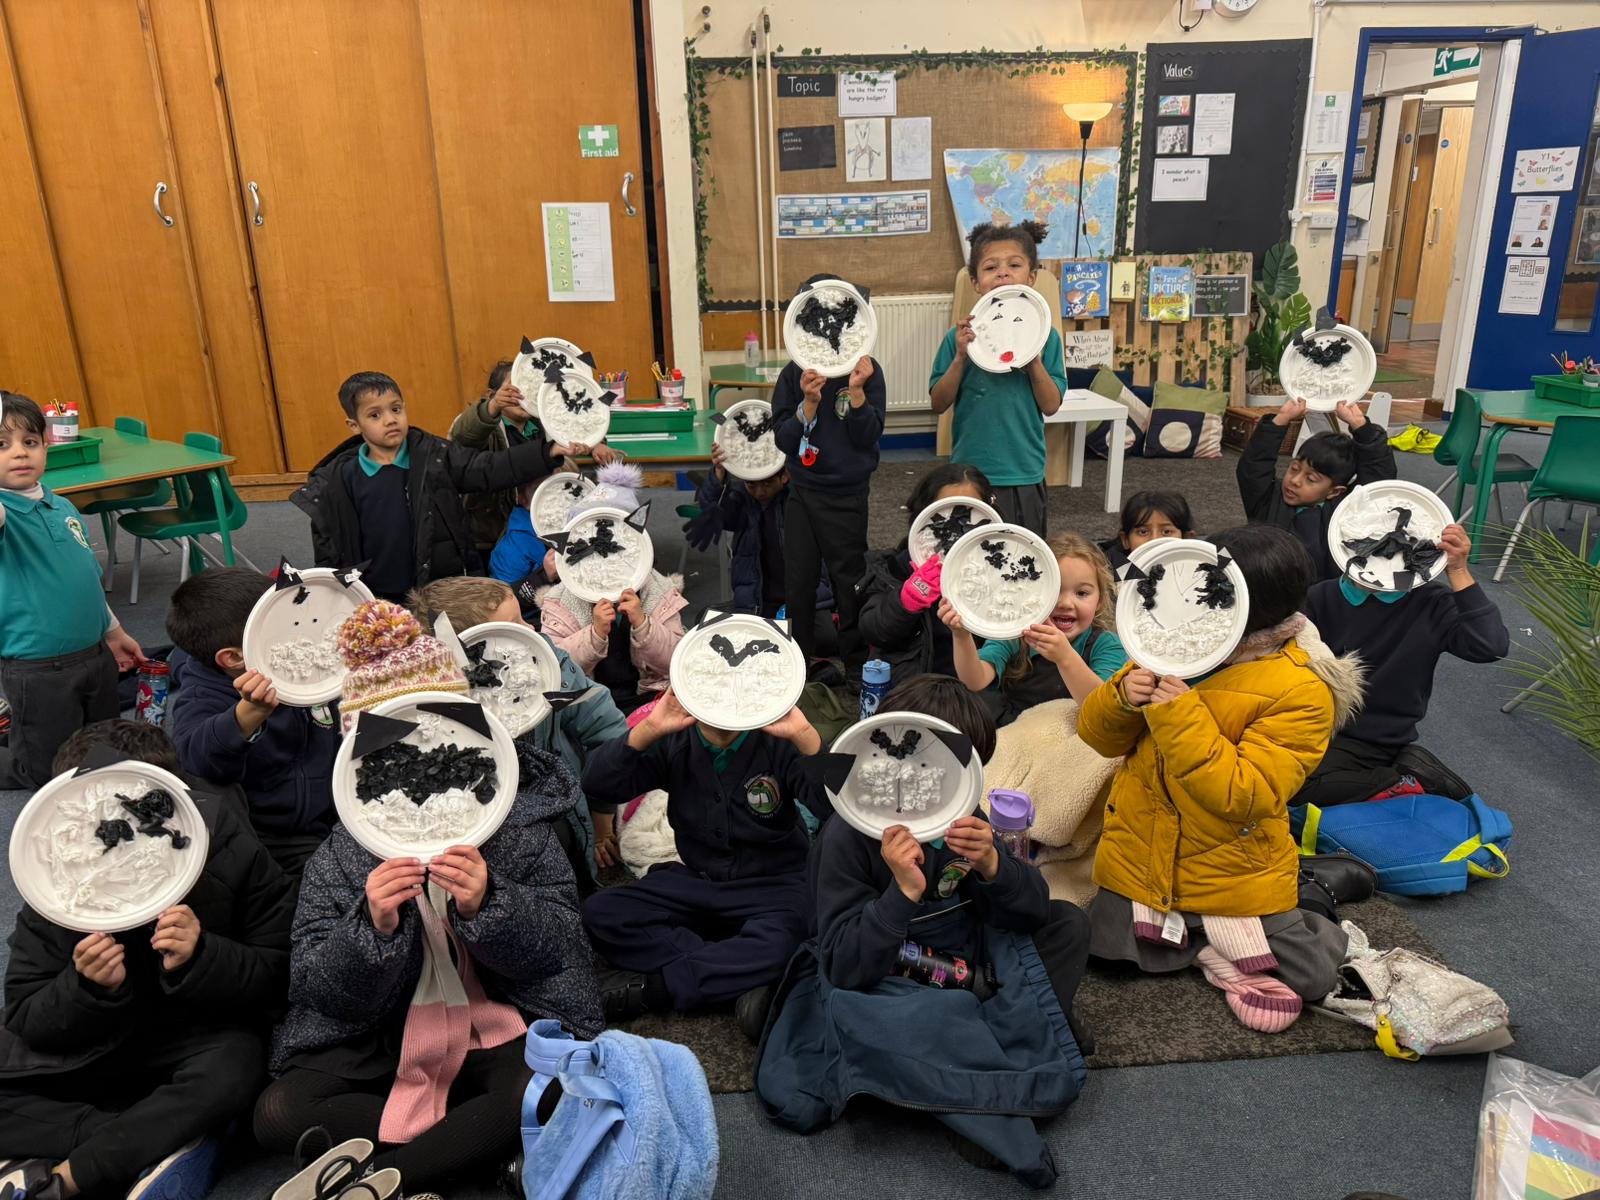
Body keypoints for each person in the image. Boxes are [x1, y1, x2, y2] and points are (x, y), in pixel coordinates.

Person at [758, 675, 1089, 1189]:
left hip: (965, 958)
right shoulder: (848, 835)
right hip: (890, 976)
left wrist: (995, 866)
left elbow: (1031, 911)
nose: (926, 788)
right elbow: (845, 965)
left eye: (951, 775)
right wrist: (902, 892)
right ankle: (983, 1084)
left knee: (1068, 924)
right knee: (880, 1012)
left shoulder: (964, 815)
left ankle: (969, 1059)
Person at [252, 734, 603, 1196]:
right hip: (384, 1033)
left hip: (501, 1013)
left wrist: (488, 905)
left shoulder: (519, 830)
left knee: (543, 1087)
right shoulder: (342, 853)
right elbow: (317, 988)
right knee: (279, 1111)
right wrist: (372, 928)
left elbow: (560, 952)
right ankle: (468, 1144)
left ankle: (387, 1178)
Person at [1077, 526, 1366, 1031]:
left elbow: (1242, 794)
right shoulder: (1173, 642)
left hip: (1234, 870)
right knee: (1105, 951)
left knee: (1314, 975)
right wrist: (1122, 695)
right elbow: (1099, 738)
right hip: (1143, 855)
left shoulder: (1302, 689)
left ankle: (1312, 890)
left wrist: (1177, 714)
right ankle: (1213, 946)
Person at [0, 721, 292, 1200]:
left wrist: (202, 957)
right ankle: (156, 1139)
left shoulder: (227, 845)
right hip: (93, 1043)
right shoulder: (55, 870)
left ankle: (70, 1176)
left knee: (236, 1068)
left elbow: (279, 973)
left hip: (194, 1036)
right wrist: (86, 988)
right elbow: (26, 1013)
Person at [579, 687, 826, 1038]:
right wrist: (647, 729)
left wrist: (807, 739)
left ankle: (662, 987)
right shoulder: (675, 740)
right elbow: (597, 784)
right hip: (698, 881)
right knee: (600, 913)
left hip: (775, 884)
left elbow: (833, 807)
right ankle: (737, 974)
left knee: (798, 932)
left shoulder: (776, 740)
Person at [407, 576, 630, 885]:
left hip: (558, 808)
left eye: (523, 619)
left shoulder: (546, 662)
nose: (532, 630)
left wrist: (602, 816)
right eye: (513, 627)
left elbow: (604, 725)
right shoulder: (431, 704)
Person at [291, 371, 568, 604]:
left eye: (396, 409)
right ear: (354, 425)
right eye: (375, 415)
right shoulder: (338, 481)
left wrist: (547, 453)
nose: (390, 419)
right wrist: (335, 599)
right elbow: (331, 551)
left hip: (438, 589)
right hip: (376, 596)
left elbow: (487, 468)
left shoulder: (434, 455)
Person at [1295, 522, 1508, 806]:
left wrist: (1458, 571)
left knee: (1292, 786)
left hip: (1373, 739)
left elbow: (1490, 645)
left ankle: (1405, 780)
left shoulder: (1432, 604)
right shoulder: (1320, 596)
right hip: (1310, 721)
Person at [0, 391, 144, 789]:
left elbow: (85, 579)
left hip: (94, 655)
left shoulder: (61, 506)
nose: (19, 453)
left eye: (30, 441)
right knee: (44, 769)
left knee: (100, 746)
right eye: (2, 444)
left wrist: (113, 632)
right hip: (37, 668)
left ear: (46, 447)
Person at [165, 567, 341, 878]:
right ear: (234, 658)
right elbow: (193, 755)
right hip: (278, 838)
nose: (303, 636)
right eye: (285, 630)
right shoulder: (202, 697)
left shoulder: (304, 664)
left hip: (335, 807)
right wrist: (248, 715)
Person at [770, 276, 887, 673]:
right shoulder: (794, 374)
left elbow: (868, 436)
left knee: (849, 580)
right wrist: (808, 403)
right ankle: (798, 663)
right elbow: (784, 440)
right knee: (799, 580)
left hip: (847, 495)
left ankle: (855, 664)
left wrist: (857, 393)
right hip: (804, 493)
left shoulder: (868, 371)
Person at [928, 222, 1066, 536]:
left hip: (1023, 472)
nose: (1002, 273)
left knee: (1022, 550)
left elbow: (1051, 405)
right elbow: (938, 402)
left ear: (1031, 277)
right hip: (969, 475)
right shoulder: (958, 338)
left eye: (1014, 265)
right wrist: (960, 357)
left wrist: (1034, 361)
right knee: (969, 549)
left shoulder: (1047, 338)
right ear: (975, 282)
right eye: (991, 267)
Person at [538, 463, 687, 714]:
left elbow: (678, 659)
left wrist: (643, 624)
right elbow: (554, 667)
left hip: (650, 700)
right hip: (588, 707)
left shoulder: (659, 591)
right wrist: (594, 635)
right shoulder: (561, 601)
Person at [943, 532, 1128, 727]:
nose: (1066, 603)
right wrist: (961, 635)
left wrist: (1065, 657)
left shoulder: (1107, 644)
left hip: (1078, 736)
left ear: (1100, 601)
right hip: (1016, 732)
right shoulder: (1015, 634)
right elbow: (975, 681)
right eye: (1055, 590)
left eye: (1082, 593)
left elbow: (1103, 710)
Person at [453, 360, 621, 566]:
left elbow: (576, 426)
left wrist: (595, 443)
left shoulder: (546, 421)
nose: (522, 395)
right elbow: (463, 436)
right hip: (494, 530)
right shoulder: (485, 425)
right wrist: (493, 406)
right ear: (492, 394)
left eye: (530, 389)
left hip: (543, 518)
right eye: (513, 388)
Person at [855, 462, 993, 690]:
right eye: (944, 513)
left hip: (977, 683)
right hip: (916, 685)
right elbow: (873, 631)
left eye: (969, 514)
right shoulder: (899, 565)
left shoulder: (1000, 569)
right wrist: (906, 601)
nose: (957, 528)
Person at [1237, 397, 1396, 580]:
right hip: (1263, 587)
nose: (1295, 481)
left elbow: (1378, 479)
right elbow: (1253, 467)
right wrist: (1281, 419)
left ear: (1334, 491)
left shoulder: (1344, 512)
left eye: (1311, 479)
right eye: (1294, 468)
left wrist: (1361, 426)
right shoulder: (1268, 499)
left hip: (1318, 592)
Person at [1098, 489, 1194, 571]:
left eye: (1166, 532)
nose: (1154, 540)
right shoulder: (1105, 576)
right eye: (1143, 532)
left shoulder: (1199, 568)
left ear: (1186, 538)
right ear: (1125, 540)